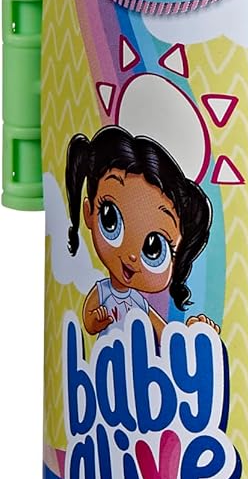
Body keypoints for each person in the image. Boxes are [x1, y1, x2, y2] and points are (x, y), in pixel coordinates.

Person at [65, 125, 220, 337]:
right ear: (89, 212)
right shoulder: (103, 291)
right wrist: (97, 320)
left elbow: (165, 335)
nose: (131, 256)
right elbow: (88, 321)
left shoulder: (138, 302)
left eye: (154, 249)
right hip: (107, 353)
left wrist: (191, 336)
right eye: (110, 219)